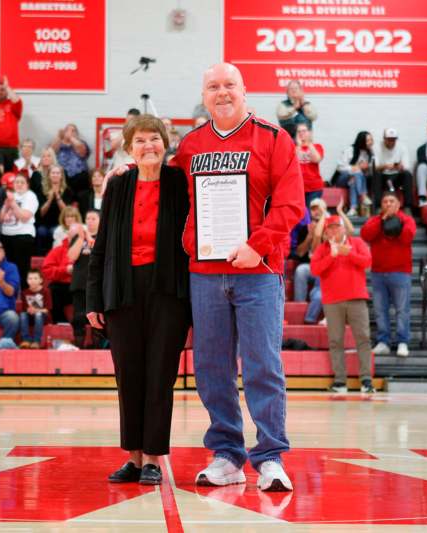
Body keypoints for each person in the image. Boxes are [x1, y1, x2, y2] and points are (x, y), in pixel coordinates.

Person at [174, 64, 305, 492]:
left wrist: (259, 245)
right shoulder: (190, 145)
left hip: (258, 273)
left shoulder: (273, 138)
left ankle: (269, 457)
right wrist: (128, 172)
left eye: (230, 85)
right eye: (213, 86)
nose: (222, 93)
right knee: (212, 368)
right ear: (204, 95)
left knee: (263, 365)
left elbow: (291, 205)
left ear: (245, 91)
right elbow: (167, 197)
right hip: (206, 275)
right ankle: (227, 454)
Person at [86, 114, 191, 486]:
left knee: (160, 376)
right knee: (128, 375)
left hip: (168, 292)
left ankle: (153, 459)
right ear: (129, 149)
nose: (149, 146)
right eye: (141, 141)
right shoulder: (117, 185)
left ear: (166, 143)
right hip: (123, 290)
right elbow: (100, 245)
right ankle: (132, 458)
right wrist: (93, 298)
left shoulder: (180, 182)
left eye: (155, 139)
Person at [310, 215, 374, 394]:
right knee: (335, 341)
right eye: (329, 228)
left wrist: (349, 253)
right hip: (332, 300)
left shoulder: (357, 243)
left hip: (356, 297)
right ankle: (340, 381)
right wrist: (331, 256)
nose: (333, 231)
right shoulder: (322, 249)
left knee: (363, 338)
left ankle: (366, 380)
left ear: (344, 228)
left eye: (336, 227)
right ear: (326, 232)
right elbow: (315, 270)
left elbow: (368, 262)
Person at [361, 191, 416, 358]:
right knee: (380, 310)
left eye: (392, 201)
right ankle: (383, 341)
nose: (388, 204)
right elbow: (365, 234)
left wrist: (395, 221)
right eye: (385, 201)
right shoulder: (376, 220)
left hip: (400, 272)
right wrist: (382, 221)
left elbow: (407, 237)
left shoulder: (407, 219)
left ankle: (402, 342)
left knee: (402, 310)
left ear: (398, 204)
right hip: (378, 273)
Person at [0, 173, 38, 287]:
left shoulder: (30, 196)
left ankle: (23, 295)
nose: (19, 185)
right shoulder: (11, 195)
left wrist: (13, 204)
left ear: (27, 185)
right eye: (17, 182)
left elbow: (25, 217)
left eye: (22, 182)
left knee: (22, 268)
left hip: (23, 236)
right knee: (7, 269)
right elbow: (0, 219)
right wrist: (6, 206)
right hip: (6, 236)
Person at [70, 209, 98, 347]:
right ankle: (78, 345)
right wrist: (81, 238)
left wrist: (87, 237)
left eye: (93, 219)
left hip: (97, 284)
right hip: (79, 283)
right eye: (87, 219)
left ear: (100, 221)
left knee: (98, 317)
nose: (90, 221)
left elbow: (99, 253)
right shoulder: (77, 238)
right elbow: (71, 257)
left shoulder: (103, 237)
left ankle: (98, 347)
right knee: (78, 318)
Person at [36, 164, 75, 254]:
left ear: (61, 176)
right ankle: (42, 258)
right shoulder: (42, 190)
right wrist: (49, 200)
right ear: (49, 175)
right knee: (41, 231)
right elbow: (41, 213)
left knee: (55, 231)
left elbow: (67, 212)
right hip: (44, 222)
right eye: (53, 173)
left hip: (60, 222)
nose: (55, 175)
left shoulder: (67, 191)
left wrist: (57, 197)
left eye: (58, 173)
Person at [333, 131, 373, 216]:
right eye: (368, 140)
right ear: (361, 141)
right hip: (342, 179)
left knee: (353, 181)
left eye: (371, 140)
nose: (370, 142)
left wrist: (366, 169)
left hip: (354, 180)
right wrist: (353, 168)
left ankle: (353, 208)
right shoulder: (350, 150)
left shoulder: (369, 153)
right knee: (356, 173)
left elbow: (367, 174)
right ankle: (362, 195)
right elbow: (339, 167)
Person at [374, 128, 413, 212]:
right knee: (376, 174)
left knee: (407, 174)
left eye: (393, 139)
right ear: (384, 139)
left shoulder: (402, 147)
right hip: (383, 176)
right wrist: (385, 166)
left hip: (397, 176)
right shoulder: (377, 147)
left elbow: (407, 166)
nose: (391, 142)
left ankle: (407, 207)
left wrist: (400, 167)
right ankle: (378, 207)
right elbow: (375, 167)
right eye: (389, 139)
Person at [41, 230, 75, 324]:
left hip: (81, 285)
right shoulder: (57, 250)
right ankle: (61, 323)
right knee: (52, 292)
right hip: (61, 285)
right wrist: (65, 270)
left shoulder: (87, 250)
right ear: (68, 236)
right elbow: (46, 270)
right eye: (72, 236)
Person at [18, 268, 51, 349]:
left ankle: (36, 341)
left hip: (42, 316)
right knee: (22, 315)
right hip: (30, 315)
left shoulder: (46, 291)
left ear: (40, 280)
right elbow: (24, 308)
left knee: (38, 314)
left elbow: (47, 309)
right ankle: (26, 340)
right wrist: (29, 310)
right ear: (27, 280)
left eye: (35, 278)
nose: (32, 281)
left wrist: (36, 310)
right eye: (30, 278)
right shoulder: (24, 292)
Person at [51, 123, 90, 190]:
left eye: (73, 130)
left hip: (79, 176)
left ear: (77, 134)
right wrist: (59, 137)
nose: (70, 132)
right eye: (67, 130)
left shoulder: (81, 143)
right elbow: (52, 152)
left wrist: (71, 137)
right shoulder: (59, 142)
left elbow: (81, 151)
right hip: (62, 176)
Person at [295, 124, 325, 207]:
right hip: (298, 187)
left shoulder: (317, 146)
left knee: (311, 214)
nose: (301, 133)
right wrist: (299, 145)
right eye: (299, 131)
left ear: (309, 133)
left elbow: (316, 159)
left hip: (314, 187)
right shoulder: (294, 148)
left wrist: (309, 143)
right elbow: (292, 162)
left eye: (304, 131)